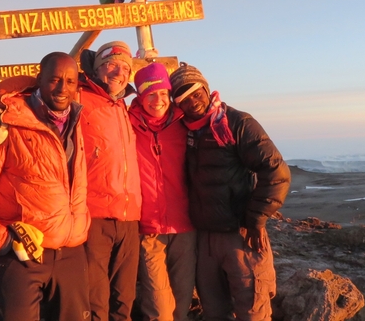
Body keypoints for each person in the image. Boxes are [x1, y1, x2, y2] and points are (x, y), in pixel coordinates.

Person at [0, 52, 90, 321]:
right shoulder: (5, 123)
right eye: (54, 79)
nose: (62, 88)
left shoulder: (75, 122)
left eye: (70, 81)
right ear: (39, 79)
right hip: (21, 254)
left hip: (71, 252)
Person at [169, 63, 291, 321]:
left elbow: (277, 173)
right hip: (204, 239)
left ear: (206, 88)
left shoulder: (237, 123)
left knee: (253, 311)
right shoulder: (183, 130)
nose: (193, 101)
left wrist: (257, 218)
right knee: (214, 312)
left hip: (242, 236)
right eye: (183, 97)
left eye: (196, 92)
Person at [78, 40, 143, 321]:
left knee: (124, 298)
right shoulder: (77, 99)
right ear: (97, 68)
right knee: (95, 299)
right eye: (111, 64)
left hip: (129, 219)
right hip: (94, 217)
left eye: (125, 68)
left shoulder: (123, 108)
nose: (119, 73)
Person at [129, 63, 196, 321]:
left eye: (163, 94)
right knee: (158, 308)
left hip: (185, 227)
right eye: (151, 94)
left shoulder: (185, 123)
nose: (158, 101)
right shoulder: (127, 124)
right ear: (140, 96)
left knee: (181, 304)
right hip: (149, 229)